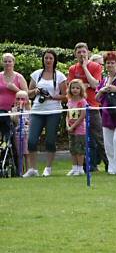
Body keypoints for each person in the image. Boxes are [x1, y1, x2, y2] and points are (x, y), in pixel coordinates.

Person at [23, 49, 67, 177]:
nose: (48, 60)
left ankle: (48, 167)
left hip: (53, 111)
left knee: (50, 141)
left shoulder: (59, 76)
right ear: (43, 59)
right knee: (31, 140)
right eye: (46, 58)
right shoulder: (36, 74)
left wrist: (52, 97)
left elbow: (65, 96)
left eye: (50, 58)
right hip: (37, 111)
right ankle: (33, 168)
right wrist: (36, 91)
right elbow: (28, 93)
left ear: (54, 60)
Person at [67, 42, 108, 172]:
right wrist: (85, 85)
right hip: (76, 108)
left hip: (93, 106)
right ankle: (85, 166)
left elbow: (95, 84)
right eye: (78, 52)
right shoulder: (72, 69)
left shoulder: (95, 66)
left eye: (83, 52)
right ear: (75, 54)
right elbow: (72, 87)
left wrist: (85, 68)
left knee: (99, 137)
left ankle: (109, 164)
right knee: (78, 137)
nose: (81, 54)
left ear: (88, 53)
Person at [0, 53, 28, 141]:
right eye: (5, 61)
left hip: (15, 111)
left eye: (9, 61)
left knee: (13, 137)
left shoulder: (19, 77)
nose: (7, 63)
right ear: (2, 63)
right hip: (0, 111)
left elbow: (26, 95)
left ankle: (14, 153)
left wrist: (15, 89)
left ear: (13, 63)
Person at [66, 79, 87, 176]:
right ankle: (74, 168)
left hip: (80, 129)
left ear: (81, 90)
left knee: (79, 149)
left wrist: (73, 126)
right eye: (73, 88)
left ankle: (80, 168)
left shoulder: (82, 101)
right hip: (71, 130)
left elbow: (82, 116)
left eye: (77, 88)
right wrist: (68, 126)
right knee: (72, 149)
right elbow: (67, 115)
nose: (75, 90)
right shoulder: (69, 101)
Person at [10, 90, 31, 174]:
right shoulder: (13, 110)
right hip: (17, 134)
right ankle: (20, 172)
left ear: (27, 100)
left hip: (27, 134)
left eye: (22, 99)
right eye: (18, 99)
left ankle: (28, 171)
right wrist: (18, 111)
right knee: (19, 154)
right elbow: (13, 120)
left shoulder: (30, 110)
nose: (20, 101)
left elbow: (31, 121)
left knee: (27, 153)